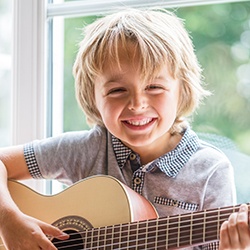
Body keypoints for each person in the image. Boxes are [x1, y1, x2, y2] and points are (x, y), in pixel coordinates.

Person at [0, 8, 249, 250]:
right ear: (92, 97)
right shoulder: (88, 149)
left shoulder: (210, 171)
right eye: (117, 90)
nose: (137, 104)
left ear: (182, 90)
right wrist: (9, 221)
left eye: (154, 87)